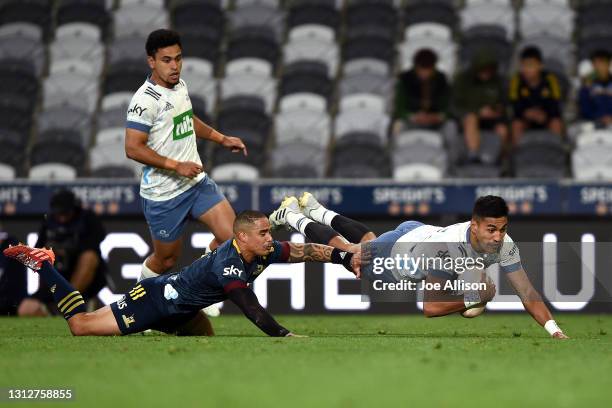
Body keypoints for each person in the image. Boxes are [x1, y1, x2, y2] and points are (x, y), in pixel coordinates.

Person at [2, 211, 359, 337]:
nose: (271, 238)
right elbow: (252, 310)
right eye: (264, 233)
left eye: (270, 232)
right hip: (156, 301)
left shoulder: (261, 251)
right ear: (242, 237)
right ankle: (43, 263)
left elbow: (306, 251)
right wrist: (284, 335)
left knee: (202, 337)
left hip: (184, 307)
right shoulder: (229, 264)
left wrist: (345, 260)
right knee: (81, 326)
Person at [269, 193, 569, 339]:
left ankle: (317, 209)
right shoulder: (448, 249)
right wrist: (475, 297)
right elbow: (430, 308)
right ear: (474, 226)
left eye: (502, 228)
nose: (498, 236)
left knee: (367, 240)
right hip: (396, 257)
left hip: (415, 230)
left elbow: (525, 289)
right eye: (492, 229)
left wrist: (553, 330)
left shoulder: (503, 244)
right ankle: (292, 215)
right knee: (351, 253)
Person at [124, 29, 247, 288]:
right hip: (164, 194)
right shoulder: (144, 101)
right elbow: (133, 148)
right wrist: (175, 165)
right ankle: (138, 299)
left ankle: (205, 283)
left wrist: (220, 138)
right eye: (167, 60)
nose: (175, 66)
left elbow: (185, 119)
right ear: (151, 62)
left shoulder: (179, 85)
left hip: (196, 183)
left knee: (235, 241)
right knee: (165, 261)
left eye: (178, 59)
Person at [17, 190, 108, 317]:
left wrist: (69, 250)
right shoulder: (48, 222)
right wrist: (53, 251)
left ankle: (72, 301)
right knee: (26, 310)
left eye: (66, 213)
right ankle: (55, 310)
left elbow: (95, 242)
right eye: (59, 214)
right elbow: (37, 251)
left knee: (89, 256)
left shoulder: (87, 218)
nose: (62, 218)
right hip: (56, 279)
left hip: (83, 282)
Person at [452, 50, 508, 163]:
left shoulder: (498, 81)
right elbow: (455, 107)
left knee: (503, 130)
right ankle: (473, 156)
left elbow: (505, 105)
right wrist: (478, 112)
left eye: (489, 69)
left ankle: (501, 161)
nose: (486, 72)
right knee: (471, 119)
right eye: (483, 69)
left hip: (492, 119)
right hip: (467, 118)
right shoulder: (462, 80)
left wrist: (497, 111)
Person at [509, 46, 563, 143]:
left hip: (546, 117)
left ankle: (556, 151)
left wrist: (545, 114)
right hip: (525, 118)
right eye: (523, 65)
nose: (526, 69)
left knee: (556, 123)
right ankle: (517, 153)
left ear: (540, 66)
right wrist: (526, 113)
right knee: (516, 124)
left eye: (530, 65)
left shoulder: (551, 79)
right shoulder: (516, 80)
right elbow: (514, 103)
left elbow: (556, 102)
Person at [393, 49, 450, 134]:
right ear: (416, 67)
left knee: (451, 126)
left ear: (433, 68)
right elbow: (398, 109)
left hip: (436, 121)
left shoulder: (442, 80)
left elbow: (448, 107)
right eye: (421, 70)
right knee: (398, 125)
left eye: (428, 70)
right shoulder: (405, 80)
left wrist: (438, 116)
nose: (425, 73)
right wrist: (413, 116)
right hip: (411, 120)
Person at [578, 49, 612, 127]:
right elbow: (584, 107)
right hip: (593, 122)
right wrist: (598, 117)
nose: (598, 67)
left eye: (602, 63)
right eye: (595, 64)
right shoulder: (587, 84)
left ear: (609, 64)